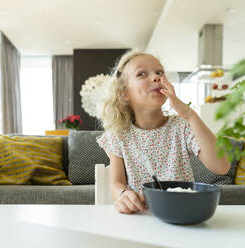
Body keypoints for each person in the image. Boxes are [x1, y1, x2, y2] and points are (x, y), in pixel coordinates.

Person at [96, 50, 230, 214]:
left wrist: (190, 115)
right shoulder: (119, 135)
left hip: (181, 213)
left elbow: (221, 166)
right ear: (124, 93)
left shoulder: (183, 127)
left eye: (159, 72)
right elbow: (116, 183)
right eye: (141, 74)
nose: (156, 77)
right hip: (142, 216)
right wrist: (123, 195)